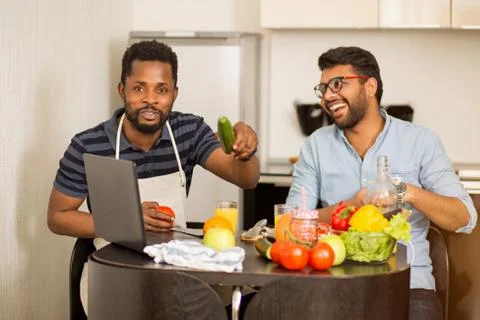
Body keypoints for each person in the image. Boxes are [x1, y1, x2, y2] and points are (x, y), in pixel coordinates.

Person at [47, 40, 259, 313]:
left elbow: (246, 179)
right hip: (114, 271)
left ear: (174, 93)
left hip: (176, 266)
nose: (150, 99)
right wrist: (125, 222)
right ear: (122, 90)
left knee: (241, 304)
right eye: (139, 88)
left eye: (162, 90)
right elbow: (57, 218)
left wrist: (245, 153)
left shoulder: (189, 132)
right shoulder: (88, 145)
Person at [286, 46, 477, 319]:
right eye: (323, 88)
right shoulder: (315, 146)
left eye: (338, 84)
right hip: (336, 284)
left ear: (370, 86)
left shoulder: (420, 142)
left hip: (410, 288)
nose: (328, 96)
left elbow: (464, 218)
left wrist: (405, 192)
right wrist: (351, 205)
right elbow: (292, 224)